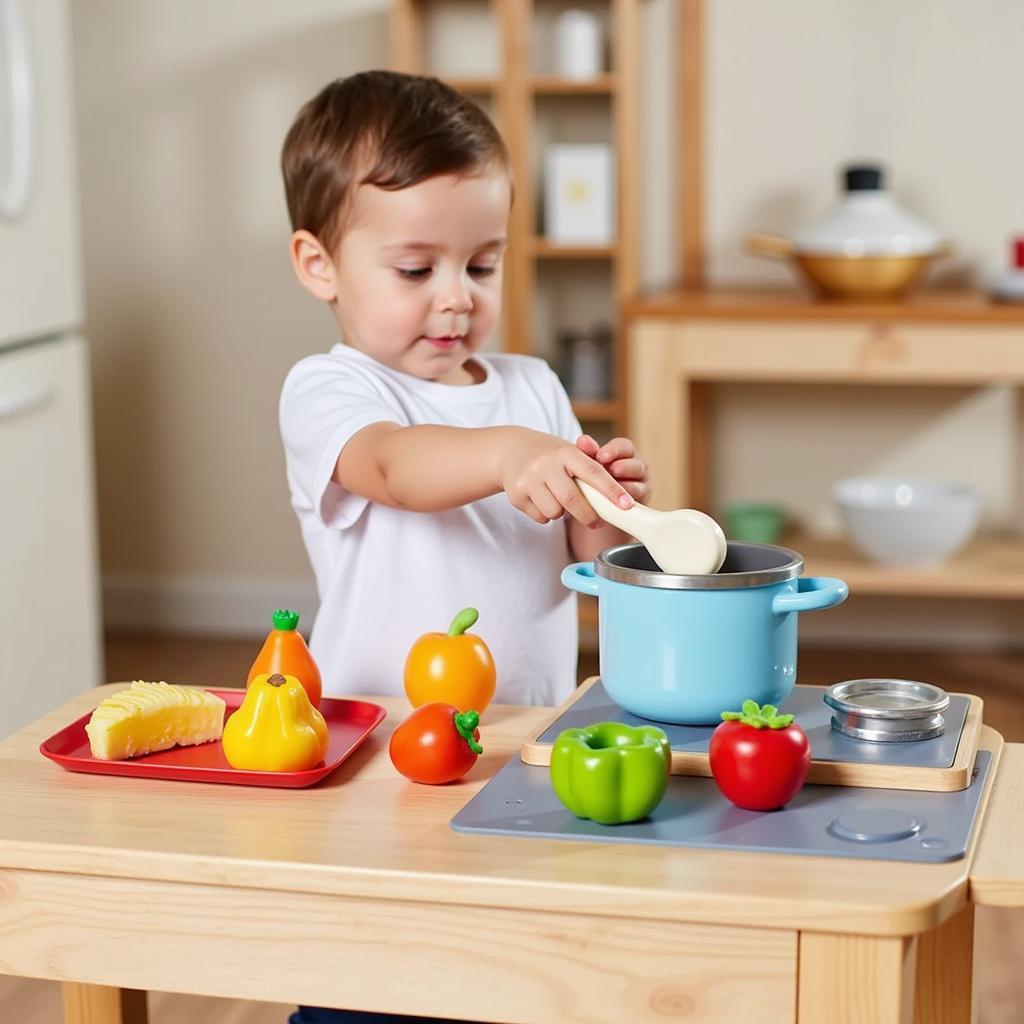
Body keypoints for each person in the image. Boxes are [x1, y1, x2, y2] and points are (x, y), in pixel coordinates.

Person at [278, 70, 651, 1024]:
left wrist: (606, 507)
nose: (455, 299)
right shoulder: (332, 392)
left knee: (507, 955)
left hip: (517, 737)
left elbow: (584, 556)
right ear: (319, 265)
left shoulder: (532, 387)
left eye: (481, 266)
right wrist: (510, 453)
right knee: (372, 964)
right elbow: (396, 468)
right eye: (416, 270)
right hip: (373, 746)